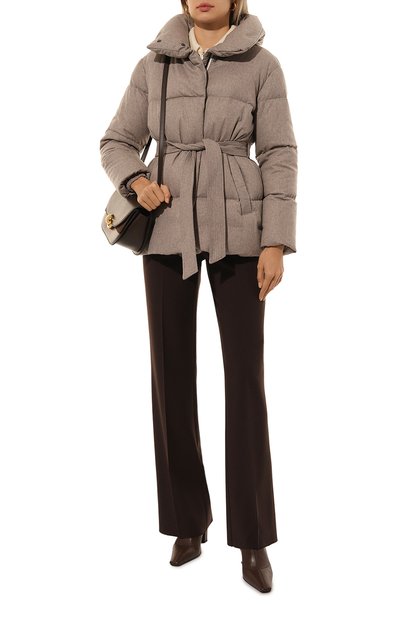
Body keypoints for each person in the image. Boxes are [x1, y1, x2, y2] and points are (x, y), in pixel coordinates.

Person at [99, 0, 297, 594]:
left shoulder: (263, 64)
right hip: (167, 234)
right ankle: (187, 522)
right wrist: (137, 180)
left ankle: (254, 537)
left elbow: (280, 155)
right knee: (171, 378)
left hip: (240, 233)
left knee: (246, 381)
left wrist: (275, 242)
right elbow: (116, 141)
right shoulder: (153, 64)